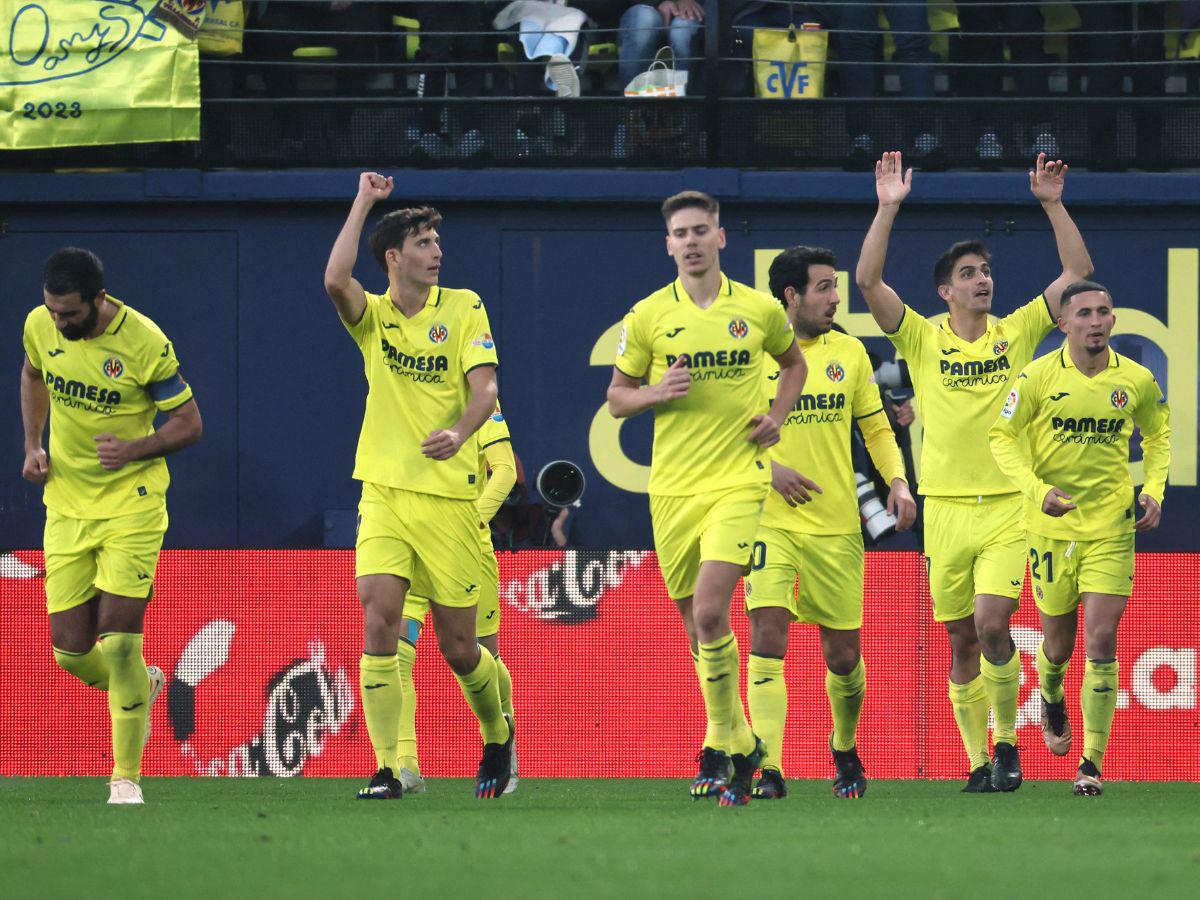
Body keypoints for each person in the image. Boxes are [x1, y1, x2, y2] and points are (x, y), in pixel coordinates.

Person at [855, 151, 1093, 793]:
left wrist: (1051, 203)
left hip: (1007, 506)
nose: (982, 280)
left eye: (986, 270)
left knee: (993, 623)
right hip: (945, 509)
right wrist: (886, 208)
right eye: (969, 273)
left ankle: (1010, 746)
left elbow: (1077, 271)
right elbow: (869, 283)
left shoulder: (1014, 333)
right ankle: (978, 760)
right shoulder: (923, 338)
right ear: (946, 291)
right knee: (961, 640)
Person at [606, 190, 807, 806]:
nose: (691, 241)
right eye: (680, 233)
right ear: (668, 244)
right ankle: (737, 741)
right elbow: (617, 398)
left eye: (701, 230)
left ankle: (724, 748)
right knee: (697, 628)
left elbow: (793, 365)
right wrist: (655, 392)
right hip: (671, 487)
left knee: (716, 612)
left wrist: (778, 415)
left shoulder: (758, 309)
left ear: (722, 237)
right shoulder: (646, 316)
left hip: (738, 480)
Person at [324, 172, 513, 800]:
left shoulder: (464, 306)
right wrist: (363, 201)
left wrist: (460, 433)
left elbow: (485, 389)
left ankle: (497, 734)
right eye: (425, 241)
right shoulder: (373, 318)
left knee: (459, 650)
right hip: (382, 490)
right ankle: (387, 766)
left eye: (438, 240)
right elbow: (333, 281)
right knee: (378, 620)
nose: (437, 250)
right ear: (394, 257)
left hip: (448, 499)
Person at [20, 247, 203, 805]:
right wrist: (32, 445)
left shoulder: (144, 342)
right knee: (70, 653)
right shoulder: (38, 325)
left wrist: (135, 449)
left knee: (120, 643)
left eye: (69, 313)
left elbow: (189, 423)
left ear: (99, 300)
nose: (59, 322)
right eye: (53, 311)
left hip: (133, 503)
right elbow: (32, 375)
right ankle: (141, 688)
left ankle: (125, 778)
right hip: (67, 506)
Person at [745, 247, 915, 801]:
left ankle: (843, 745)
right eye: (823, 287)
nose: (835, 297)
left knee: (842, 657)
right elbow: (718, 431)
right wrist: (770, 470)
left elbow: (876, 429)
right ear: (790, 296)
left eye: (835, 287)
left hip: (837, 525)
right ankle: (767, 765)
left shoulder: (851, 353)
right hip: (768, 519)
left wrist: (896, 481)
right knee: (768, 636)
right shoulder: (751, 354)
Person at [989, 280, 1170, 796]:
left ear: (1114, 320)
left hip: (1111, 525)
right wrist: (1035, 489)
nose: (1096, 321)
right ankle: (1050, 691)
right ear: (1064, 324)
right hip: (1049, 528)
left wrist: (1153, 488)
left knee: (1102, 638)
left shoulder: (1134, 379)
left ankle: (1090, 762)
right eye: (1085, 313)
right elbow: (1001, 436)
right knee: (1058, 644)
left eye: (1105, 312)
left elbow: (1158, 434)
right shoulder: (1038, 376)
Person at [394, 400, 519, 795]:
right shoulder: (404, 395)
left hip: (468, 549)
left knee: (480, 655)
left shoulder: (481, 404)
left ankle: (502, 743)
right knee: (397, 650)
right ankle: (405, 765)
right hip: (413, 544)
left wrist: (470, 520)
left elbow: (505, 472)